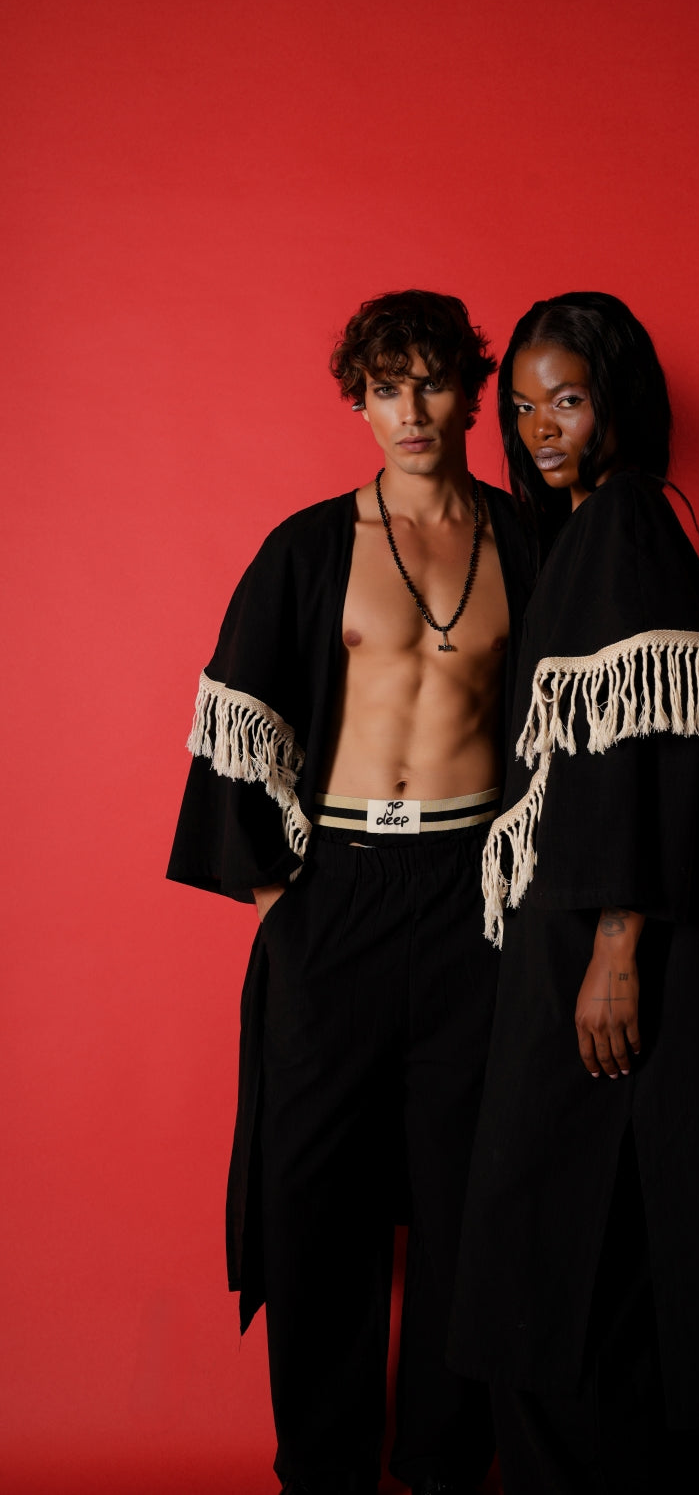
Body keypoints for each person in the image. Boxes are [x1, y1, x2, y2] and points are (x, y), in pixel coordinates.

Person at [167, 289, 534, 1495]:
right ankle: (323, 1472)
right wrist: (287, 915)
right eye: (386, 388)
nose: (410, 410)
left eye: (432, 382)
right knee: (314, 1193)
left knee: (466, 1196)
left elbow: (570, 732)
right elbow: (237, 719)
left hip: (475, 898)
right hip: (340, 888)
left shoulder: (528, 542)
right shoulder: (311, 546)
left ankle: (443, 1465)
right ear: (360, 402)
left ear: (471, 395)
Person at [448, 293, 699, 1494]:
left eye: (566, 399)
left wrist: (614, 948)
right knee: (587, 1220)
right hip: (569, 923)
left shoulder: (625, 529)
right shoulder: (588, 531)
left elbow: (643, 759)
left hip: (603, 935)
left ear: (617, 401)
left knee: (580, 1221)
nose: (540, 427)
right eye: (522, 407)